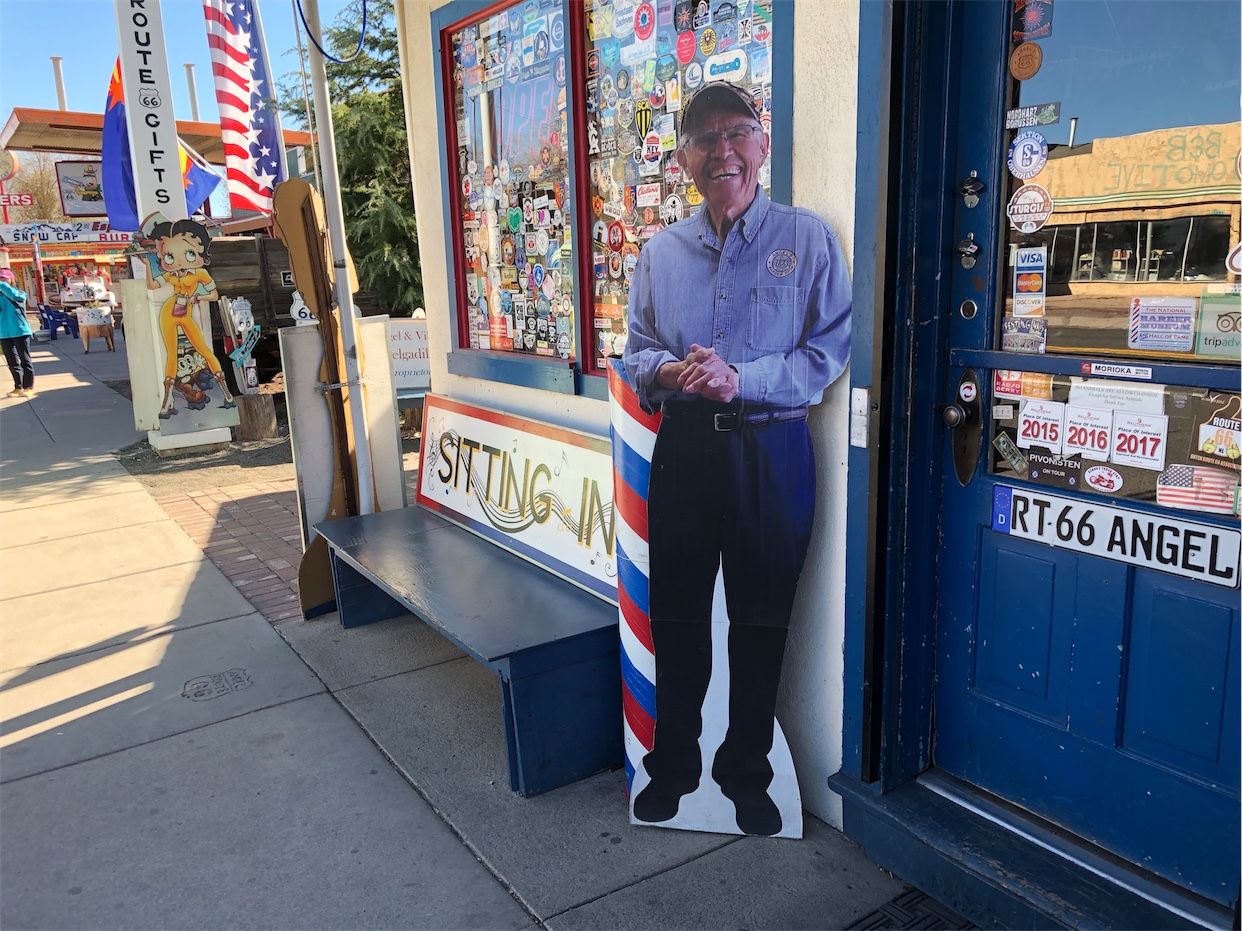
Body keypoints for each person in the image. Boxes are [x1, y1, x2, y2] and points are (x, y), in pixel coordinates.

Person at [622, 83, 851, 836]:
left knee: (761, 621)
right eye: (703, 137)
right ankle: (676, 767)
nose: (721, 150)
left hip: (773, 450)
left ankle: (746, 771)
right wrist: (664, 373)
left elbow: (828, 352)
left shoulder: (807, 239)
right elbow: (636, 351)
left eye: (736, 132)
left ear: (762, 142)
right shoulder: (660, 252)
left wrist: (740, 379)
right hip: (686, 448)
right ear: (684, 156)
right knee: (679, 615)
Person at [141, 217, 235, 418]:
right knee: (171, 355)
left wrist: (197, 296)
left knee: (204, 350)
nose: (178, 260)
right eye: (168, 255)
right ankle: (167, 404)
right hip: (169, 311)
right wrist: (147, 265)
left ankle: (228, 395)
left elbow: (214, 294)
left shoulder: (200, 273)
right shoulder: (171, 275)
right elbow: (152, 285)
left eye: (190, 253)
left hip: (186, 312)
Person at [0, 268, 35, 398]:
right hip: (4, 333)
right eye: (0, 279)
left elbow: (16, 297)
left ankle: (28, 387)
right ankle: (18, 387)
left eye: (4, 279)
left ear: (11, 280)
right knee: (12, 362)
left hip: (20, 331)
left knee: (25, 360)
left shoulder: (19, 293)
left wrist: (2, 285)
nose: (2, 281)